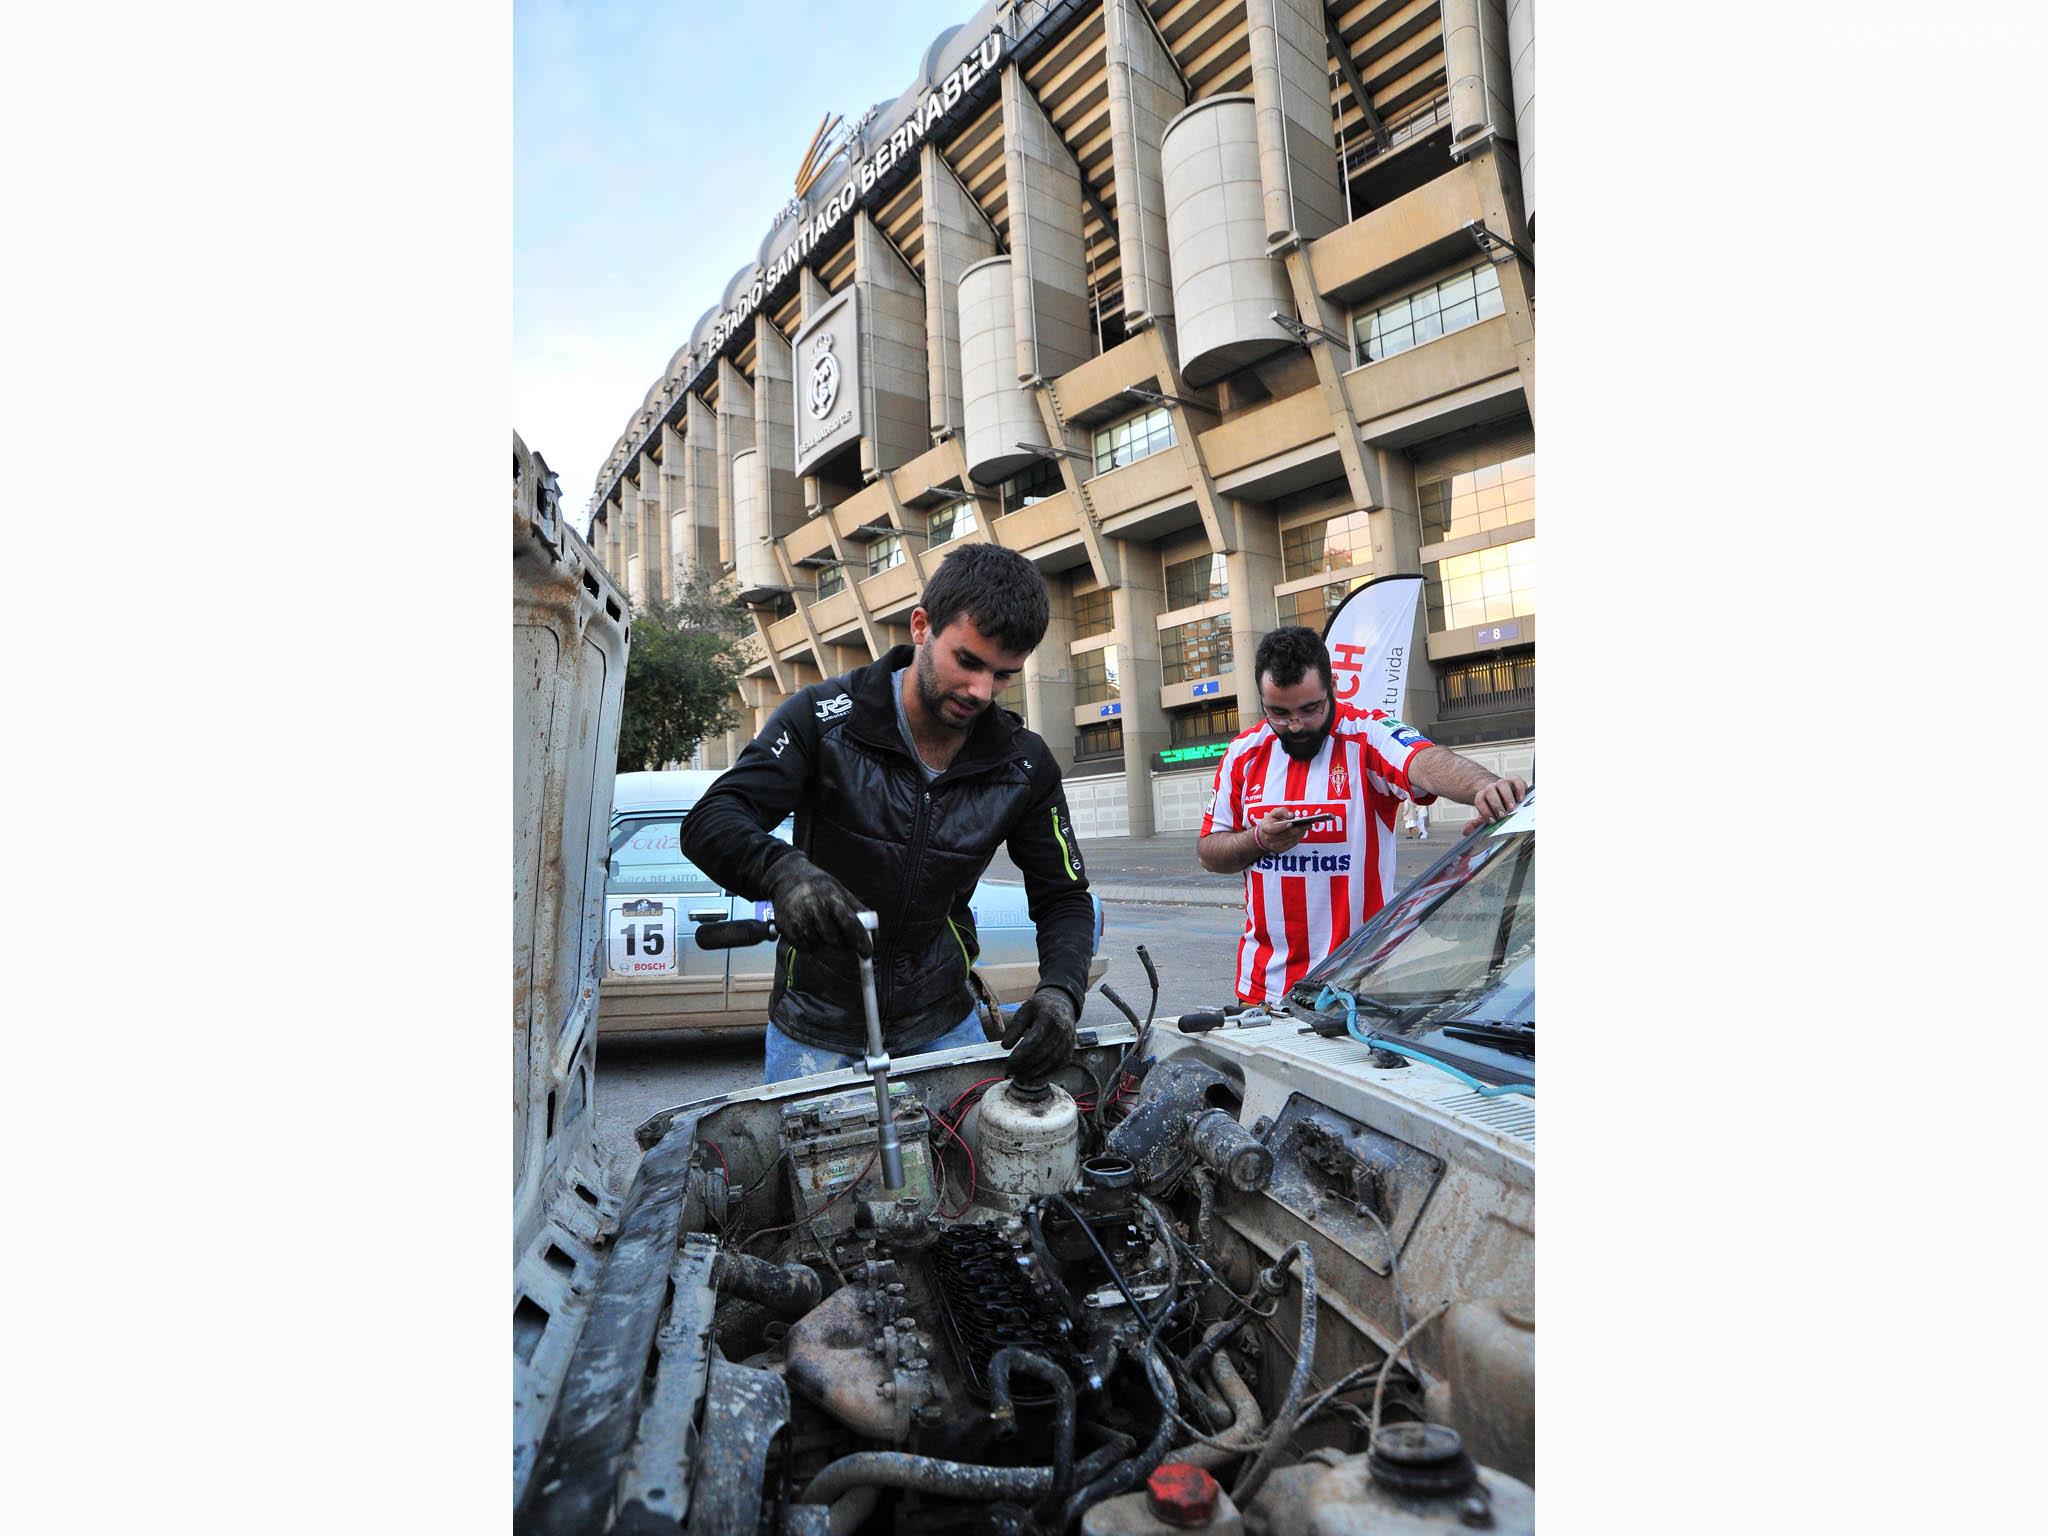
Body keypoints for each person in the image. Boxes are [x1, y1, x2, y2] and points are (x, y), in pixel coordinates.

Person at [680, 543, 1095, 1084]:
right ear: (921, 625)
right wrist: (783, 873)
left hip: (942, 1020)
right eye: (968, 661)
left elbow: (1063, 896)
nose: (980, 691)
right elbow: (712, 819)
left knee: (970, 1163)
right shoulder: (823, 721)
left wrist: (1062, 992)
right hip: (814, 1027)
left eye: (1002, 675)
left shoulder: (1023, 764)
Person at [1196, 625, 1527, 1006]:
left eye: (1310, 708)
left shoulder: (1366, 734)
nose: (1296, 725)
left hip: (1357, 987)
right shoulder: (1243, 754)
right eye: (1279, 713)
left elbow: (1425, 761)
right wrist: (1257, 839)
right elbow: (1208, 851)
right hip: (1263, 990)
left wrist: (1484, 787)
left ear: (1333, 686)